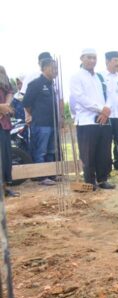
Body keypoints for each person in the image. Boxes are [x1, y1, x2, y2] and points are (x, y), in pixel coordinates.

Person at [70, 48, 115, 190]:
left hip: (103, 120)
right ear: (81, 58)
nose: (92, 61)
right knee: (88, 154)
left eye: (94, 58)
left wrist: (106, 111)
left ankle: (103, 180)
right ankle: (90, 182)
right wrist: (100, 109)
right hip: (86, 121)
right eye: (88, 57)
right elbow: (80, 98)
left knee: (104, 152)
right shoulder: (76, 77)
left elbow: (109, 95)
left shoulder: (100, 77)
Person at [23, 58, 59, 186]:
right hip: (40, 123)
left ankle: (50, 174)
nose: (56, 71)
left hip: (52, 123)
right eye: (53, 68)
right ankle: (42, 177)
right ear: (44, 68)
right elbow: (26, 103)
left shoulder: (52, 85)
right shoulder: (36, 84)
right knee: (41, 151)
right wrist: (34, 114)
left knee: (50, 151)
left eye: (56, 68)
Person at [0, 66, 19, 197]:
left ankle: (4, 187)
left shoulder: (2, 74)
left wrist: (5, 106)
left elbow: (10, 92)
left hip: (3, 124)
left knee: (5, 157)